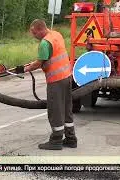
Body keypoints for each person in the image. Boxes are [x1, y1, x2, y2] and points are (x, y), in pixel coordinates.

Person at [15, 19, 77, 150]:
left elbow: (39, 63)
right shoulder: (56, 35)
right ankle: (71, 139)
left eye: (34, 33)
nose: (33, 36)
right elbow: (50, 57)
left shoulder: (44, 43)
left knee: (55, 110)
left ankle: (56, 141)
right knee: (66, 109)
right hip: (67, 77)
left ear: (40, 30)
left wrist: (26, 69)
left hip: (56, 81)